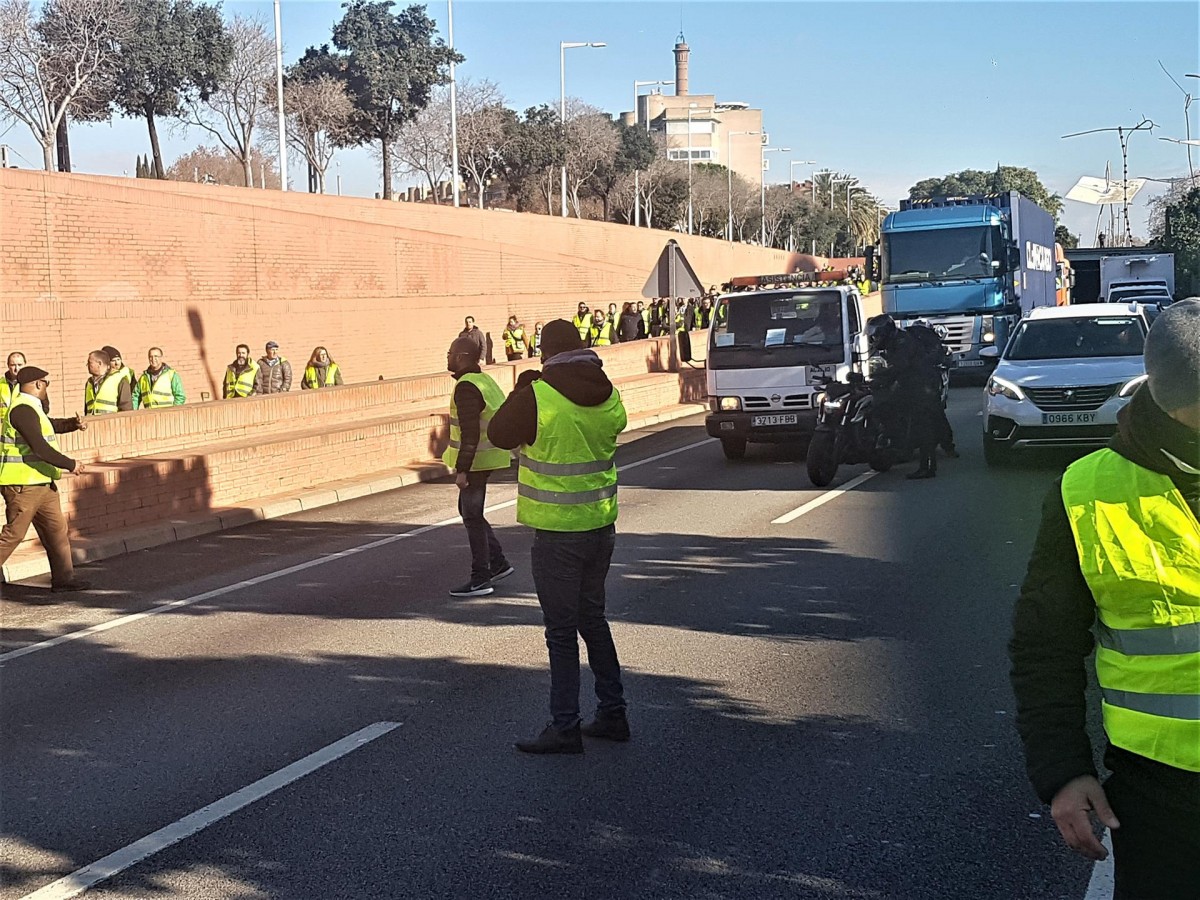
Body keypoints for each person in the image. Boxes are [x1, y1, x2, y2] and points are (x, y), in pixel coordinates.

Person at [1009, 300, 1200, 898]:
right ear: (1173, 402)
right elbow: (1044, 647)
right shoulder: (1088, 492)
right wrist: (1064, 771)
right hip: (1164, 799)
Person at [488, 319, 629, 754]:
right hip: (600, 527)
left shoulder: (538, 395)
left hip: (556, 535)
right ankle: (613, 713)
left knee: (561, 632)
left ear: (546, 353)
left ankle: (565, 726)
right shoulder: (609, 392)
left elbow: (498, 434)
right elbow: (616, 426)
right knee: (594, 620)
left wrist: (523, 389)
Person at [0, 366, 89, 591]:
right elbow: (39, 447)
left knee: (56, 530)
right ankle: (64, 579)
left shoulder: (32, 408)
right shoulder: (21, 409)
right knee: (14, 534)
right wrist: (71, 464)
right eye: (46, 383)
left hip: (42, 483)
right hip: (23, 486)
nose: (47, 387)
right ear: (38, 384)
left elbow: (50, 426)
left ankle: (64, 580)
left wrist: (73, 424)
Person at [443, 337, 514, 598]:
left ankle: (480, 578)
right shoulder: (484, 380)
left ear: (461, 356)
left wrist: (462, 470)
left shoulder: (466, 387)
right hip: (489, 456)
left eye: (450, 352)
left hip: (476, 462)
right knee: (468, 511)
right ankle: (498, 563)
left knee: (471, 514)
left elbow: (470, 432)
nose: (447, 356)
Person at [866, 315, 942, 479]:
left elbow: (900, 366)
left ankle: (927, 467)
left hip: (922, 385)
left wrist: (879, 376)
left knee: (921, 426)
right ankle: (895, 443)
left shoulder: (903, 342)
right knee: (894, 410)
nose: (874, 338)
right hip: (911, 383)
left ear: (885, 331)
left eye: (877, 334)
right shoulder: (894, 341)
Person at [906, 320, 958, 458]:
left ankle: (947, 446)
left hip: (930, 385)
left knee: (936, 414)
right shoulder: (907, 345)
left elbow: (944, 360)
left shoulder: (935, 346)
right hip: (913, 384)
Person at [83, 349, 132, 415]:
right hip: (92, 424)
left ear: (99, 364)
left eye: (90, 363)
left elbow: (126, 410)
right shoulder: (89, 383)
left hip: (112, 424)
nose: (87, 365)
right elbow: (87, 410)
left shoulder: (120, 380)